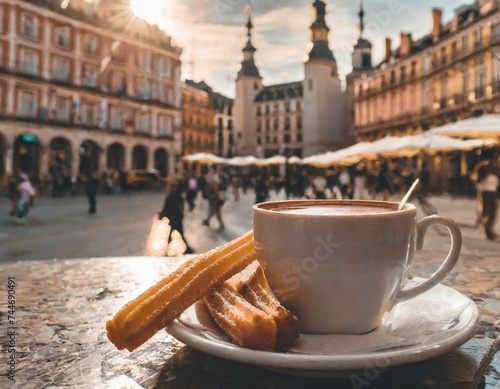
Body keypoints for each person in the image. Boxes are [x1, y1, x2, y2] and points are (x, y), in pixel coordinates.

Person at [159, 179, 194, 253]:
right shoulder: (178, 197)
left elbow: (167, 208)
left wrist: (162, 215)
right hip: (177, 219)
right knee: (179, 234)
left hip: (174, 219)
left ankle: (167, 250)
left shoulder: (172, 197)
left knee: (173, 234)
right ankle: (187, 248)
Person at [476, 162, 499, 242]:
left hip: (487, 194)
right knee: (490, 214)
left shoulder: (485, 177)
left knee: (488, 214)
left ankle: (489, 232)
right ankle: (489, 232)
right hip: (489, 195)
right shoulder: (489, 176)